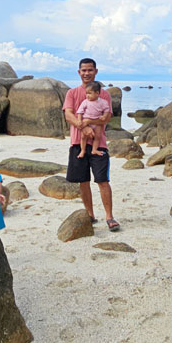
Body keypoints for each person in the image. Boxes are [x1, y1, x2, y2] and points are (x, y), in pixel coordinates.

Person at [62, 58, 120, 231]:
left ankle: (109, 217)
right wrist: (83, 127)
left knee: (103, 180)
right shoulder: (72, 93)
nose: (87, 73)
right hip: (77, 143)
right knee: (83, 181)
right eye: (84, 70)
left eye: (90, 70)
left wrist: (88, 123)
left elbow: (106, 118)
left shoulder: (104, 94)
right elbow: (69, 115)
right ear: (79, 72)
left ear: (96, 71)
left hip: (99, 143)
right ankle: (90, 215)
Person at [76, 80, 112, 157]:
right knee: (83, 137)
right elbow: (80, 112)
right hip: (86, 123)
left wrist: (104, 116)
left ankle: (94, 150)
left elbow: (106, 110)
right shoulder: (85, 102)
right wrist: (79, 120)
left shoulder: (103, 102)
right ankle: (82, 150)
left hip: (97, 122)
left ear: (97, 93)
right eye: (86, 93)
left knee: (98, 136)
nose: (87, 95)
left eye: (90, 93)